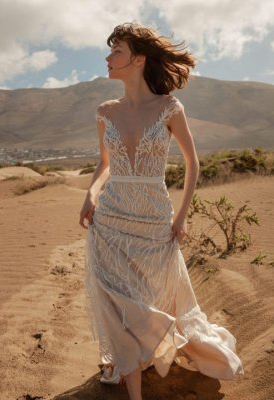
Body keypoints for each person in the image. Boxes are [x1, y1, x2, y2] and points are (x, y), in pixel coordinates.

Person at [78, 22, 244, 400]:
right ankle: (134, 391)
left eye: (116, 51)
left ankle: (151, 356)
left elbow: (192, 164)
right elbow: (105, 165)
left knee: (145, 300)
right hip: (111, 219)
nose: (108, 58)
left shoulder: (169, 107)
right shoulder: (106, 111)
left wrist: (181, 216)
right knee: (118, 303)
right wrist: (90, 194)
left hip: (154, 219)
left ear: (137, 59)